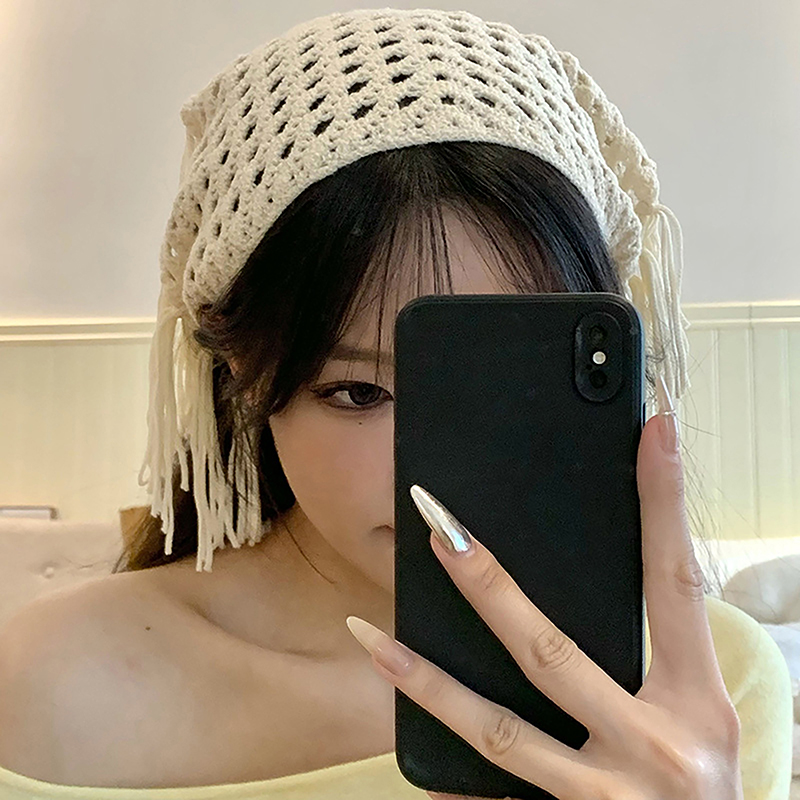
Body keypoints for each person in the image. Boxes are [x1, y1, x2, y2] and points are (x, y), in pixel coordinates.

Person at [0, 8, 792, 799]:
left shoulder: (706, 699)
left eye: (504, 388)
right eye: (359, 392)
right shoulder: (52, 688)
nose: (435, 475)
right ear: (244, 371)